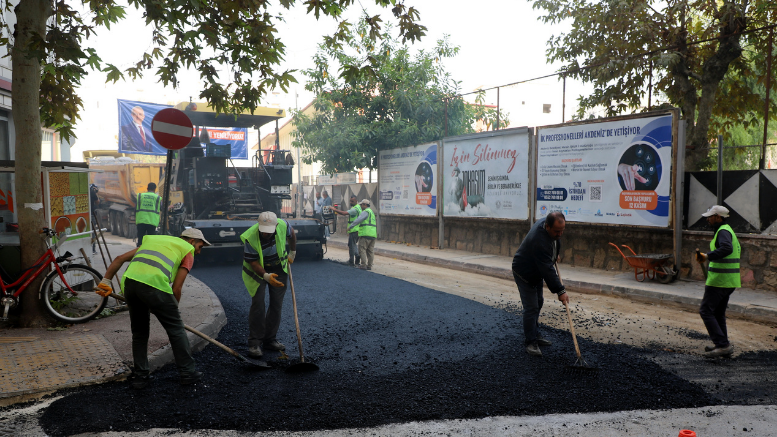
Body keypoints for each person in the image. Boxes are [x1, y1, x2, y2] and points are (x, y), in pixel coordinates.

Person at [94, 228, 211, 389]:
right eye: (200, 247)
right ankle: (188, 373)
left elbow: (119, 258)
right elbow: (177, 288)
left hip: (130, 285)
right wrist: (171, 311)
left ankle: (141, 376)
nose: (199, 251)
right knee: (176, 330)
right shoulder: (187, 250)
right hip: (155, 287)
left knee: (140, 332)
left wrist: (106, 281)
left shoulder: (154, 241)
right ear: (192, 241)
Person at [511, 211, 569, 357]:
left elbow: (553, 245)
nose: (560, 234)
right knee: (531, 307)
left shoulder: (548, 225)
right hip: (524, 273)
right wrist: (560, 291)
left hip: (536, 270)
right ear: (547, 226)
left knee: (539, 301)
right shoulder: (540, 241)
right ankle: (531, 342)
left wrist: (554, 254)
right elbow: (548, 270)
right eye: (557, 231)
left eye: (562, 230)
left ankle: (535, 333)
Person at [241, 211, 297, 358]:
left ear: (276, 225)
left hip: (278, 267)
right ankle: (254, 343)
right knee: (258, 304)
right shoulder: (250, 237)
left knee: (276, 304)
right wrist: (266, 276)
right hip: (259, 270)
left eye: (269, 232)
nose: (266, 234)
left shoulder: (283, 225)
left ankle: (269, 339)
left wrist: (293, 251)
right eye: (263, 232)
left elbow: (292, 234)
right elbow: (253, 262)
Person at [695, 205, 740, 358]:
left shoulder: (723, 231)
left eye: (710, 216)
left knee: (706, 311)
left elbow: (726, 248)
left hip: (720, 280)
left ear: (718, 217)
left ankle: (722, 345)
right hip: (728, 280)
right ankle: (722, 343)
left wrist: (707, 256)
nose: (708, 219)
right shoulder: (727, 230)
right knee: (718, 312)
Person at [332, 195, 362, 266]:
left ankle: (351, 261)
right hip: (356, 230)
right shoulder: (358, 208)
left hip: (354, 230)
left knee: (351, 245)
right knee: (353, 244)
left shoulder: (354, 209)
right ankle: (357, 255)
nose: (351, 202)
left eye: (352, 201)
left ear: (356, 201)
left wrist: (334, 209)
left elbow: (344, 213)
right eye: (350, 201)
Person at [348, 199, 376, 270]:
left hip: (365, 234)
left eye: (362, 205)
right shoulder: (371, 212)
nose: (361, 206)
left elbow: (358, 220)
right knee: (370, 251)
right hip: (373, 235)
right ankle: (369, 265)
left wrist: (350, 226)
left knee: (362, 249)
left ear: (365, 205)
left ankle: (363, 265)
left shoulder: (365, 212)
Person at [135, 182, 161, 247]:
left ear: (147, 188)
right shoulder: (157, 198)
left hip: (141, 220)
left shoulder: (140, 196)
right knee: (151, 240)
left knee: (140, 239)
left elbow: (135, 208)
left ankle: (139, 252)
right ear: (155, 189)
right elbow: (162, 208)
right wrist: (170, 207)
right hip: (152, 222)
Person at [89, 184, 100, 254]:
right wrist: (96, 193)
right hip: (91, 214)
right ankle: (93, 249)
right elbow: (97, 202)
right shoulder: (92, 192)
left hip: (84, 214)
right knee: (92, 232)